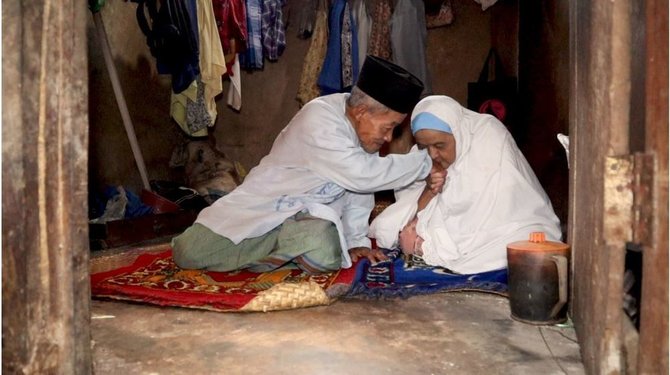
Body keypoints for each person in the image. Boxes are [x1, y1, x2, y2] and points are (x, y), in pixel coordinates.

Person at [172, 56, 444, 274]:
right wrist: (426, 161)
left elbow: (358, 193)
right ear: (361, 112)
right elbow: (363, 177)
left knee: (325, 251)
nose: (388, 137)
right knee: (187, 252)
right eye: (389, 127)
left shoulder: (362, 133)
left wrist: (356, 242)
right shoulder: (320, 119)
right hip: (264, 208)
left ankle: (280, 254)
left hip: (304, 221)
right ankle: (281, 255)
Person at [369, 95, 561, 274]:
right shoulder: (426, 154)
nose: (432, 155)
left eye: (439, 146)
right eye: (423, 147)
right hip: (458, 229)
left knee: (520, 247)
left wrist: (423, 241)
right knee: (391, 227)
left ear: (458, 133)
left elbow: (486, 213)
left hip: (505, 226)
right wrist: (429, 190)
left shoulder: (488, 138)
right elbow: (408, 212)